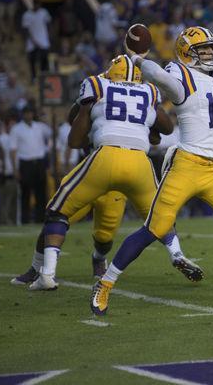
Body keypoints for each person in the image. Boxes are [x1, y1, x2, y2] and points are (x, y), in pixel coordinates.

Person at [90, 26, 213, 315]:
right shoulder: (180, 76)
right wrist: (137, 59)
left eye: (211, 48)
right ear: (186, 52)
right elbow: (157, 75)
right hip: (186, 165)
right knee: (153, 230)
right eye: (202, 49)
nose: (209, 53)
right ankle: (105, 285)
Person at [25, 55, 200, 291]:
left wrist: (84, 108)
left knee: (57, 212)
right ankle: (176, 253)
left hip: (103, 158)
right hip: (139, 161)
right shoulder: (148, 91)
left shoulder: (97, 86)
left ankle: (47, 273)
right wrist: (148, 128)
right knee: (160, 214)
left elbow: (74, 139)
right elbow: (167, 128)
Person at [10, 107, 51, 224]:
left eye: (30, 113)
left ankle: (40, 219)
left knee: (41, 193)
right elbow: (13, 150)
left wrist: (47, 119)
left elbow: (53, 133)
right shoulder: (16, 129)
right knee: (25, 194)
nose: (28, 115)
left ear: (33, 114)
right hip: (25, 164)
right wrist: (15, 169)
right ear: (23, 115)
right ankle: (25, 221)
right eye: (26, 113)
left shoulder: (40, 127)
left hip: (39, 163)